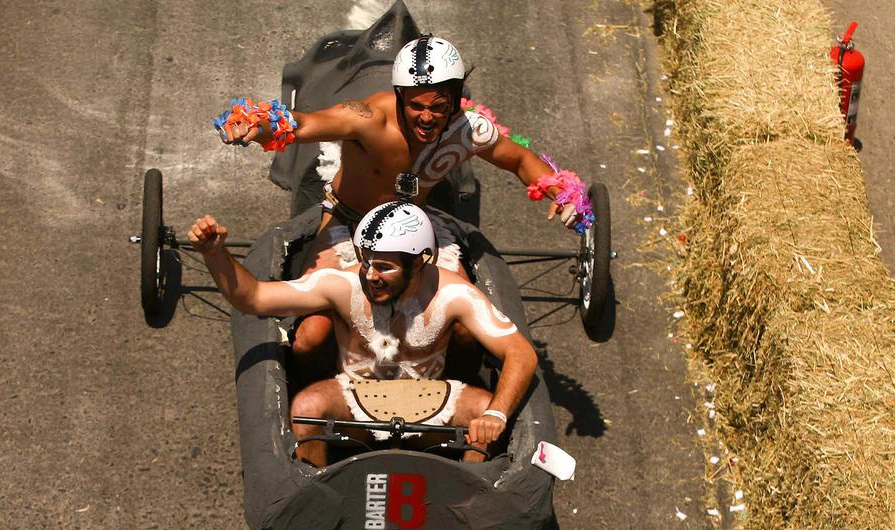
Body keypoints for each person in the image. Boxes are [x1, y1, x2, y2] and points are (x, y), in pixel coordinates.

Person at [212, 35, 594, 358]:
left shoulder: (468, 130)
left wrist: (562, 192)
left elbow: (522, 159)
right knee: (309, 339)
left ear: (456, 101)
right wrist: (259, 124)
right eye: (416, 106)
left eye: (439, 108)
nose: (427, 118)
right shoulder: (367, 118)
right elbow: (304, 123)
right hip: (346, 223)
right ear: (399, 97)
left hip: (415, 229)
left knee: (462, 330)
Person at [187, 201, 539, 468]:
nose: (369, 275)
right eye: (365, 260)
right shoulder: (340, 283)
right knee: (307, 405)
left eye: (384, 266)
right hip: (354, 398)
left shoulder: (454, 294)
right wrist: (214, 253)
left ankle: (468, 512)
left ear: (418, 263)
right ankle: (316, 502)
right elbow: (254, 297)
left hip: (434, 401)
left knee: (483, 409)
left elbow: (521, 353)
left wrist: (495, 415)